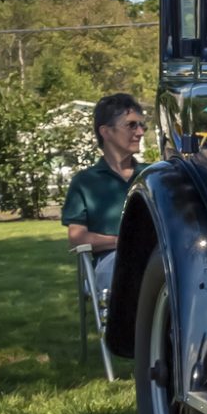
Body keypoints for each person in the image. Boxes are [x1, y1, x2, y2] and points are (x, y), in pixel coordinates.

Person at [62, 93, 145, 294]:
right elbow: (77, 238)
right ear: (106, 132)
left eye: (142, 126)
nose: (140, 132)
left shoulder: (153, 176)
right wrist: (123, 242)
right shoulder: (85, 182)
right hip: (113, 260)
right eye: (131, 125)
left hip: (158, 258)